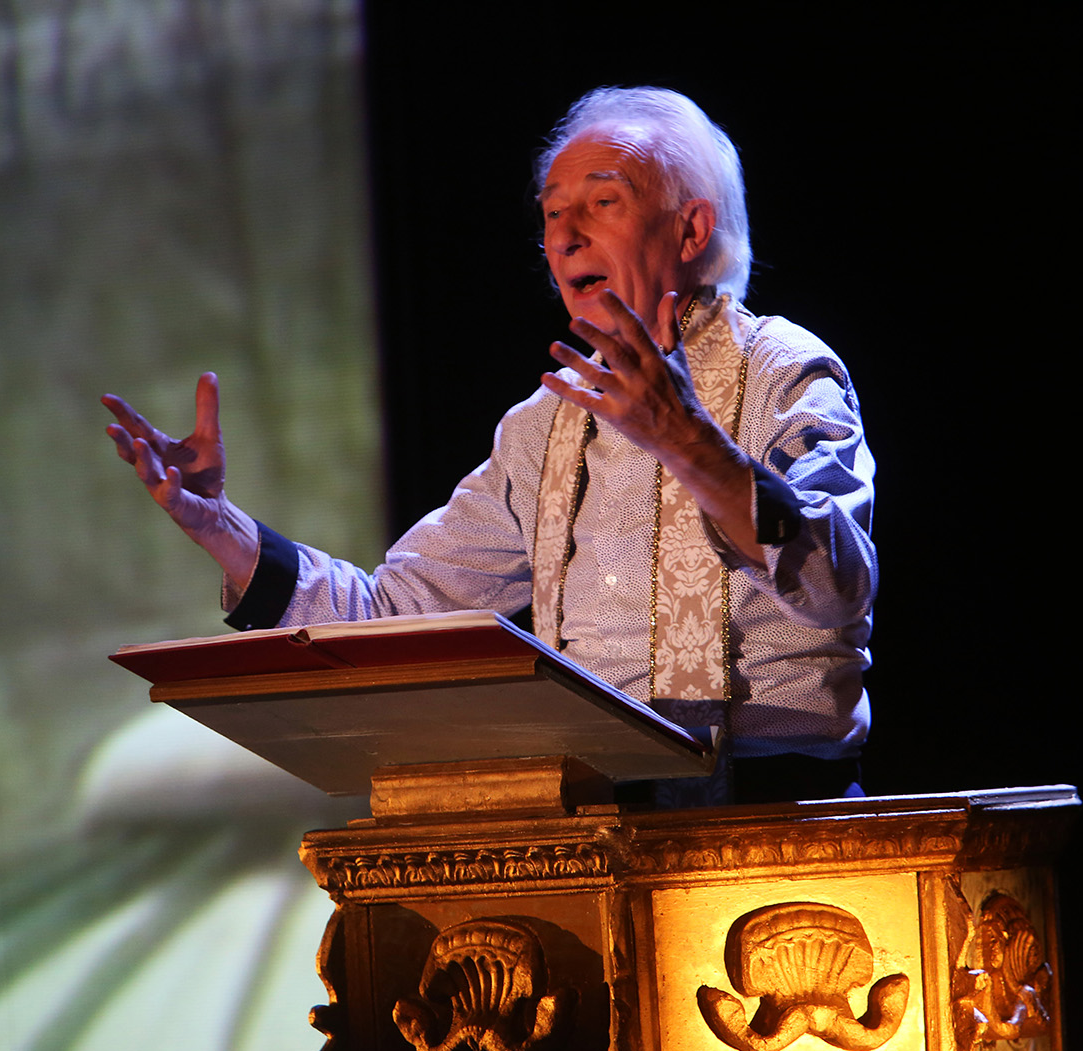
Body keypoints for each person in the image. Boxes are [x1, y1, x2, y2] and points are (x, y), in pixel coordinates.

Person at [103, 87, 875, 803]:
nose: (566, 236)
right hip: (593, 820)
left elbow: (837, 584)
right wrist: (222, 528)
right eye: (551, 215)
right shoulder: (544, 423)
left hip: (775, 816)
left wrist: (688, 442)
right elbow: (393, 612)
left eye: (602, 203)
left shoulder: (783, 369)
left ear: (690, 228)